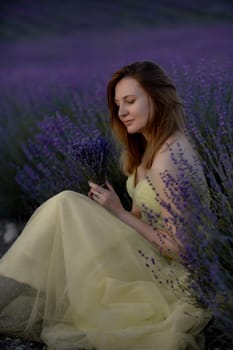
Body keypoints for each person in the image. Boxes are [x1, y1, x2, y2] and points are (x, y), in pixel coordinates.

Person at [0, 61, 211, 350]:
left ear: (158, 98)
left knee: (65, 204)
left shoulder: (169, 159)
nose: (121, 112)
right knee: (73, 212)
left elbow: (182, 249)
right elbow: (142, 217)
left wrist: (117, 212)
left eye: (130, 101)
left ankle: (8, 286)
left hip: (175, 275)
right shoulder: (149, 148)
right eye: (117, 104)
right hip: (151, 254)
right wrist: (109, 211)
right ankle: (13, 284)